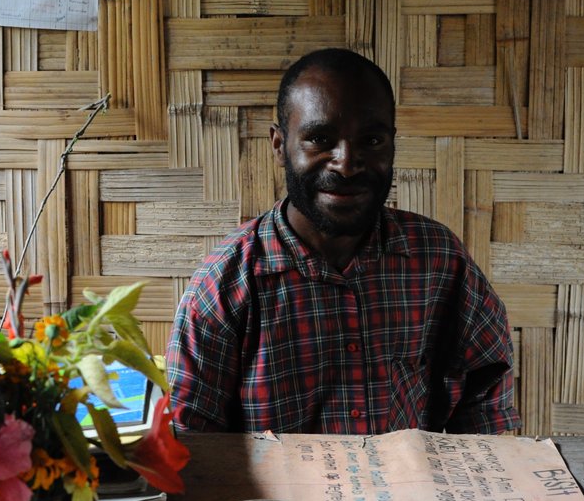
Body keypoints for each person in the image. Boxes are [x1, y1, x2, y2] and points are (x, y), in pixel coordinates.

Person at [166, 48, 518, 435]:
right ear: (280, 145)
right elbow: (192, 442)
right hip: (277, 498)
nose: (347, 163)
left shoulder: (437, 259)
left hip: (411, 495)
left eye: (371, 140)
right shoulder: (225, 286)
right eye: (319, 138)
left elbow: (486, 393)